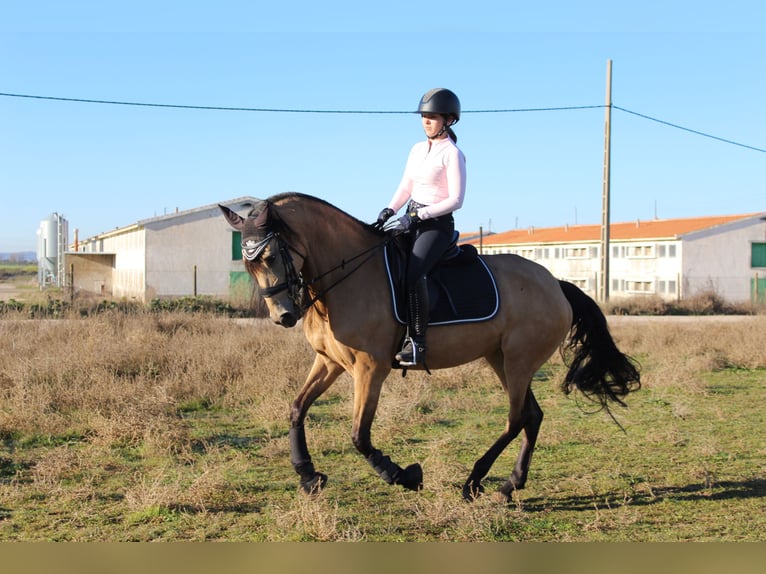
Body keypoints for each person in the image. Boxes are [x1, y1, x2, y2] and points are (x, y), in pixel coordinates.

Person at [373, 88, 467, 367]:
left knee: (414, 273)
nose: (426, 121)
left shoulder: (452, 154)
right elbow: (406, 185)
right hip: (410, 218)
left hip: (436, 225)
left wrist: (418, 216)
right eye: (424, 116)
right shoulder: (416, 149)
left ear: (448, 120)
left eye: (432, 116)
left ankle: (417, 344)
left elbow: (456, 200)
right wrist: (390, 209)